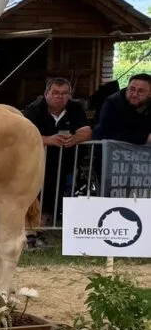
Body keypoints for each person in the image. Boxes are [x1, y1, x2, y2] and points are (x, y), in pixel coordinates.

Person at [20, 76, 92, 230]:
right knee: (36, 190)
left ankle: (47, 220)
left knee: (59, 188)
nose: (60, 97)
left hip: (66, 160)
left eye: (64, 93)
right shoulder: (33, 109)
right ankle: (32, 222)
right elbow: (23, 136)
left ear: (70, 95)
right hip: (37, 161)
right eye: (55, 93)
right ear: (46, 94)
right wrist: (48, 140)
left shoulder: (75, 108)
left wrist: (74, 139)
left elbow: (86, 131)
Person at [93, 72, 151, 145]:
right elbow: (113, 131)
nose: (135, 94)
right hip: (109, 150)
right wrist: (145, 138)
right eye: (131, 89)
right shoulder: (112, 102)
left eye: (141, 91)